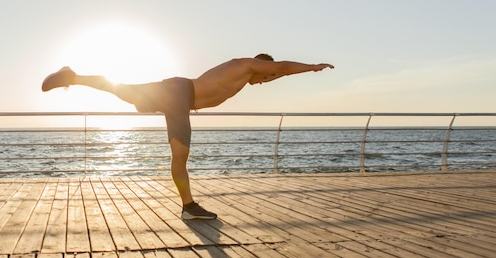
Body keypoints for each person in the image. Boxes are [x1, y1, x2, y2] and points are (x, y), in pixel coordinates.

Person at [42, 54, 334, 220]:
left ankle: (188, 206)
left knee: (127, 96)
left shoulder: (245, 76)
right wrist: (312, 67)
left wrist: (291, 74)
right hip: (178, 94)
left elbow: (278, 73)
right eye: (266, 77)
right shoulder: (245, 65)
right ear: (262, 66)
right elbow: (280, 67)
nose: (263, 83)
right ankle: (72, 76)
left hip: (178, 98)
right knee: (124, 93)